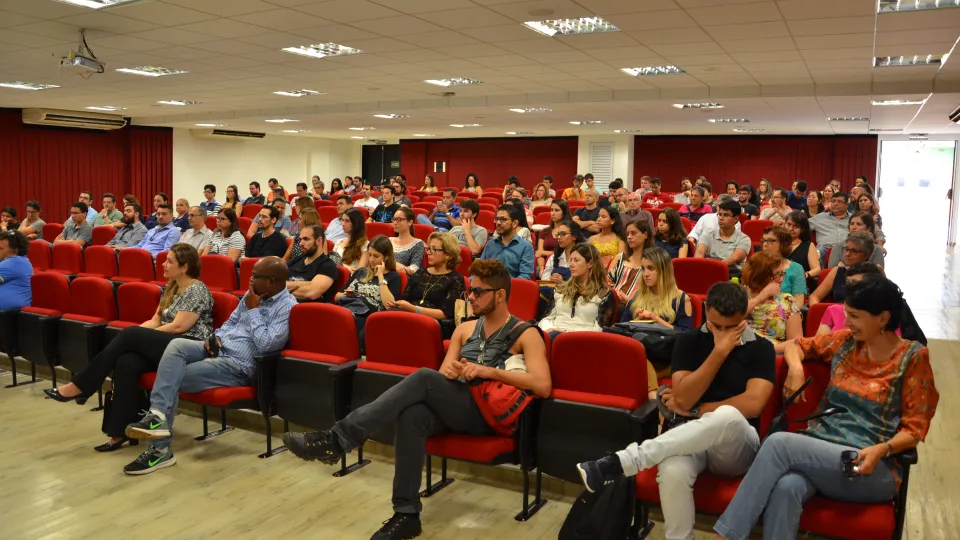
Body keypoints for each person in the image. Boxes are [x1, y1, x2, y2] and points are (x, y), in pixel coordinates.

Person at [283, 258, 549, 539]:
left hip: (489, 416)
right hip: (459, 405)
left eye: (478, 291)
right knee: (412, 415)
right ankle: (406, 514)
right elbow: (443, 375)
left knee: (422, 377)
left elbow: (543, 386)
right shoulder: (465, 329)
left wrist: (488, 371)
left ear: (500, 295)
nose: (470, 296)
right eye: (470, 290)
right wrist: (452, 371)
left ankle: (339, 439)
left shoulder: (526, 333)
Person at [714, 275, 938, 540]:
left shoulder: (913, 357)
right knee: (787, 487)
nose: (847, 322)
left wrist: (884, 448)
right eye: (846, 314)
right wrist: (795, 369)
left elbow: (915, 429)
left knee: (778, 444)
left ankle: (725, 536)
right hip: (822, 449)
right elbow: (796, 345)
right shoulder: (846, 342)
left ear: (883, 318)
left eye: (854, 316)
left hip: (869, 463)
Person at [576, 281, 776, 540]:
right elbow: (682, 398)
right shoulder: (689, 341)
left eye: (731, 328)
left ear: (743, 318)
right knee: (672, 470)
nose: (723, 334)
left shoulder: (761, 348)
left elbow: (753, 404)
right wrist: (719, 353)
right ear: (706, 312)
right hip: (690, 438)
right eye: (716, 326)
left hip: (736, 447)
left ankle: (628, 460)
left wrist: (696, 410)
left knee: (727, 416)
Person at [122, 257, 296, 474]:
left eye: (255, 276)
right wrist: (215, 337)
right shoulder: (251, 295)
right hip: (218, 349)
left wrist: (253, 310)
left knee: (172, 376)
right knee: (177, 346)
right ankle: (157, 416)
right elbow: (230, 323)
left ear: (271, 281)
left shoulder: (287, 307)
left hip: (238, 365)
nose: (250, 280)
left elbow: (267, 345)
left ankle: (159, 450)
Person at [44, 244, 213, 452]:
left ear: (184, 267)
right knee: (126, 362)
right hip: (167, 343)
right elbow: (155, 321)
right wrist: (136, 335)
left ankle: (81, 385)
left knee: (131, 334)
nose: (163, 264)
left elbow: (179, 326)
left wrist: (137, 336)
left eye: (169, 261)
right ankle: (120, 431)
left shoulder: (197, 289)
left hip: (188, 346)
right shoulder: (171, 287)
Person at [386, 232, 466, 338]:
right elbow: (405, 299)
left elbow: (445, 314)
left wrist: (414, 309)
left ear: (448, 254)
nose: (428, 253)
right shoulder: (420, 273)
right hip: (409, 317)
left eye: (434, 249)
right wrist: (397, 304)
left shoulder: (456, 279)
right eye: (428, 249)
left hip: (434, 325)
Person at [538, 243, 615, 338]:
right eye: (570, 260)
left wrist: (570, 334)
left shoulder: (604, 293)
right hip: (555, 333)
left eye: (576, 260)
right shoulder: (561, 289)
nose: (571, 264)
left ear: (590, 263)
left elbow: (601, 328)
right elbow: (547, 318)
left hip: (583, 339)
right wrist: (549, 329)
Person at [335, 235, 403, 336]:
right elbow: (336, 297)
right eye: (370, 255)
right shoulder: (361, 272)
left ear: (386, 257)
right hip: (347, 308)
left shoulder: (393, 277)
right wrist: (346, 294)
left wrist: (380, 276)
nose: (371, 259)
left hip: (368, 318)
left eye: (376, 256)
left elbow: (389, 306)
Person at [619, 246, 693, 331]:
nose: (645, 274)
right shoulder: (637, 295)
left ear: (664, 270)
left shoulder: (682, 299)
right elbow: (621, 329)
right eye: (643, 268)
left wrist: (654, 319)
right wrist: (639, 320)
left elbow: (684, 335)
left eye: (651, 268)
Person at [741, 251, 802, 352]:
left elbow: (797, 342)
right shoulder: (739, 295)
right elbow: (729, 321)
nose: (781, 279)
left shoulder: (787, 301)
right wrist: (762, 296)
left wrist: (765, 350)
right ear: (760, 275)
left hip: (774, 353)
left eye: (782, 274)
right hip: (741, 352)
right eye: (777, 275)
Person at [815, 263, 885, 335]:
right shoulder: (833, 310)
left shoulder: (884, 315)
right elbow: (819, 341)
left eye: (855, 283)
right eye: (847, 282)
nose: (848, 287)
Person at [809, 231, 877, 305]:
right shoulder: (837, 271)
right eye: (846, 249)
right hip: (838, 311)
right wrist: (817, 309)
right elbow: (814, 296)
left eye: (854, 251)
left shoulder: (875, 273)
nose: (847, 254)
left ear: (866, 255)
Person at [694, 200, 751, 277]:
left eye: (726, 215)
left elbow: (734, 259)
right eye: (719, 214)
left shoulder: (744, 239)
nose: (721, 218)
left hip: (730, 276)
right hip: (706, 272)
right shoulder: (708, 233)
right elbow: (699, 253)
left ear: (736, 218)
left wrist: (712, 267)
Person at [286, 225, 339, 303]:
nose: (301, 243)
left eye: (306, 239)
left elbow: (311, 293)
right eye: (300, 239)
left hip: (305, 308)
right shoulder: (297, 259)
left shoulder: (328, 266)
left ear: (319, 241)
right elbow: (274, 282)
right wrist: (301, 284)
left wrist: (281, 289)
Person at [480, 205, 534, 280]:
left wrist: (505, 285)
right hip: (489, 285)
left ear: (514, 223)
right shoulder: (490, 244)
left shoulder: (525, 247)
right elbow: (480, 270)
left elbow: (525, 276)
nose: (498, 222)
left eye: (503, 219)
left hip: (512, 285)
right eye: (497, 219)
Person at [761, 226, 807, 305]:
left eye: (770, 241)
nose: (765, 244)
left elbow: (798, 302)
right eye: (763, 240)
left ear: (783, 244)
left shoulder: (796, 269)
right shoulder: (755, 265)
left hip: (785, 311)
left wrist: (779, 311)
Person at [809, 191, 851, 262]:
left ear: (846, 205)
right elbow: (802, 225)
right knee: (817, 253)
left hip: (846, 249)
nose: (835, 204)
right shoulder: (820, 217)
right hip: (824, 249)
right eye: (833, 201)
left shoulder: (853, 218)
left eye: (839, 202)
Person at [784, 211, 821, 287]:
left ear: (802, 230)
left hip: (798, 284)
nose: (791, 229)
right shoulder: (777, 242)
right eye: (789, 224)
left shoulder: (808, 245)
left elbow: (817, 269)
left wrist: (805, 274)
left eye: (796, 226)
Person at [535, 200, 572, 273]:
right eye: (551, 210)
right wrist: (541, 268)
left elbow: (566, 253)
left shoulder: (569, 231)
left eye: (557, 210)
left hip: (563, 265)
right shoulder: (544, 231)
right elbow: (539, 253)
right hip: (544, 265)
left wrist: (544, 252)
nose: (553, 213)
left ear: (564, 212)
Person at [0, 230, 32, 310]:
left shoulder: (16, 261)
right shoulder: (23, 261)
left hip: (10, 314)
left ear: (15, 252)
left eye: (0, 249)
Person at [391, 207, 425, 276]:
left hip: (404, 278)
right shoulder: (389, 240)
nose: (394, 223)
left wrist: (390, 265)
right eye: (394, 219)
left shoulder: (418, 243)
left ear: (410, 222)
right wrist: (394, 264)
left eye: (399, 219)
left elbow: (414, 268)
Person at [335, 208, 369, 273]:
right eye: (342, 220)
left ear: (356, 223)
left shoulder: (365, 245)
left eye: (347, 221)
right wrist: (344, 266)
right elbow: (332, 261)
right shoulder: (339, 242)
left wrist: (340, 265)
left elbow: (359, 273)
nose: (343, 224)